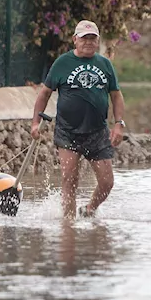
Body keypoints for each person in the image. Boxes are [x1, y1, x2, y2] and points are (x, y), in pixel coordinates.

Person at [30, 19, 127, 219]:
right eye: (84, 38)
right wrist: (35, 123)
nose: (89, 42)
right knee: (69, 179)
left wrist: (119, 124)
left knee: (107, 182)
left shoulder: (105, 64)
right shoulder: (62, 63)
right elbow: (44, 94)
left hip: (98, 132)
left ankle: (90, 209)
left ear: (98, 41)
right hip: (68, 131)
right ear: (75, 39)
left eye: (93, 39)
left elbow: (116, 95)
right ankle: (69, 226)